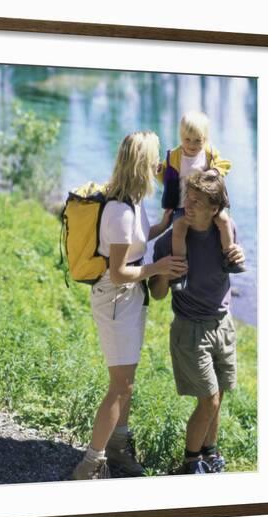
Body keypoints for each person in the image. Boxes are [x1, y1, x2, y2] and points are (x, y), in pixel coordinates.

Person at [72, 131, 188, 480]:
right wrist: (158, 268)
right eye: (155, 158)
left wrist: (162, 225)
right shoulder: (120, 211)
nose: (159, 165)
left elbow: (134, 241)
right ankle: (91, 464)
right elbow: (120, 271)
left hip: (129, 300)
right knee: (119, 387)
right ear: (141, 163)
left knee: (127, 383)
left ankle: (118, 449)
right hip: (116, 300)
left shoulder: (134, 202)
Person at [149, 171, 245, 474]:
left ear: (215, 209)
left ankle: (210, 453)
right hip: (190, 330)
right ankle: (190, 463)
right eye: (187, 198)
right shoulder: (170, 240)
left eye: (197, 202)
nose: (188, 205)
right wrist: (163, 271)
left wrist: (238, 255)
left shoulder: (226, 232)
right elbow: (158, 294)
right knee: (209, 401)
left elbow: (233, 265)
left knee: (218, 397)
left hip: (223, 325)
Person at [157, 111, 245, 291]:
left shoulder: (209, 153)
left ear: (205, 138)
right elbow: (165, 177)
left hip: (206, 205)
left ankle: (229, 257)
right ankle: (180, 271)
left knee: (224, 220)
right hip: (182, 204)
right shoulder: (174, 156)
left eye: (198, 140)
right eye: (187, 139)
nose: (192, 145)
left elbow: (226, 164)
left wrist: (215, 172)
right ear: (181, 136)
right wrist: (158, 171)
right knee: (179, 229)